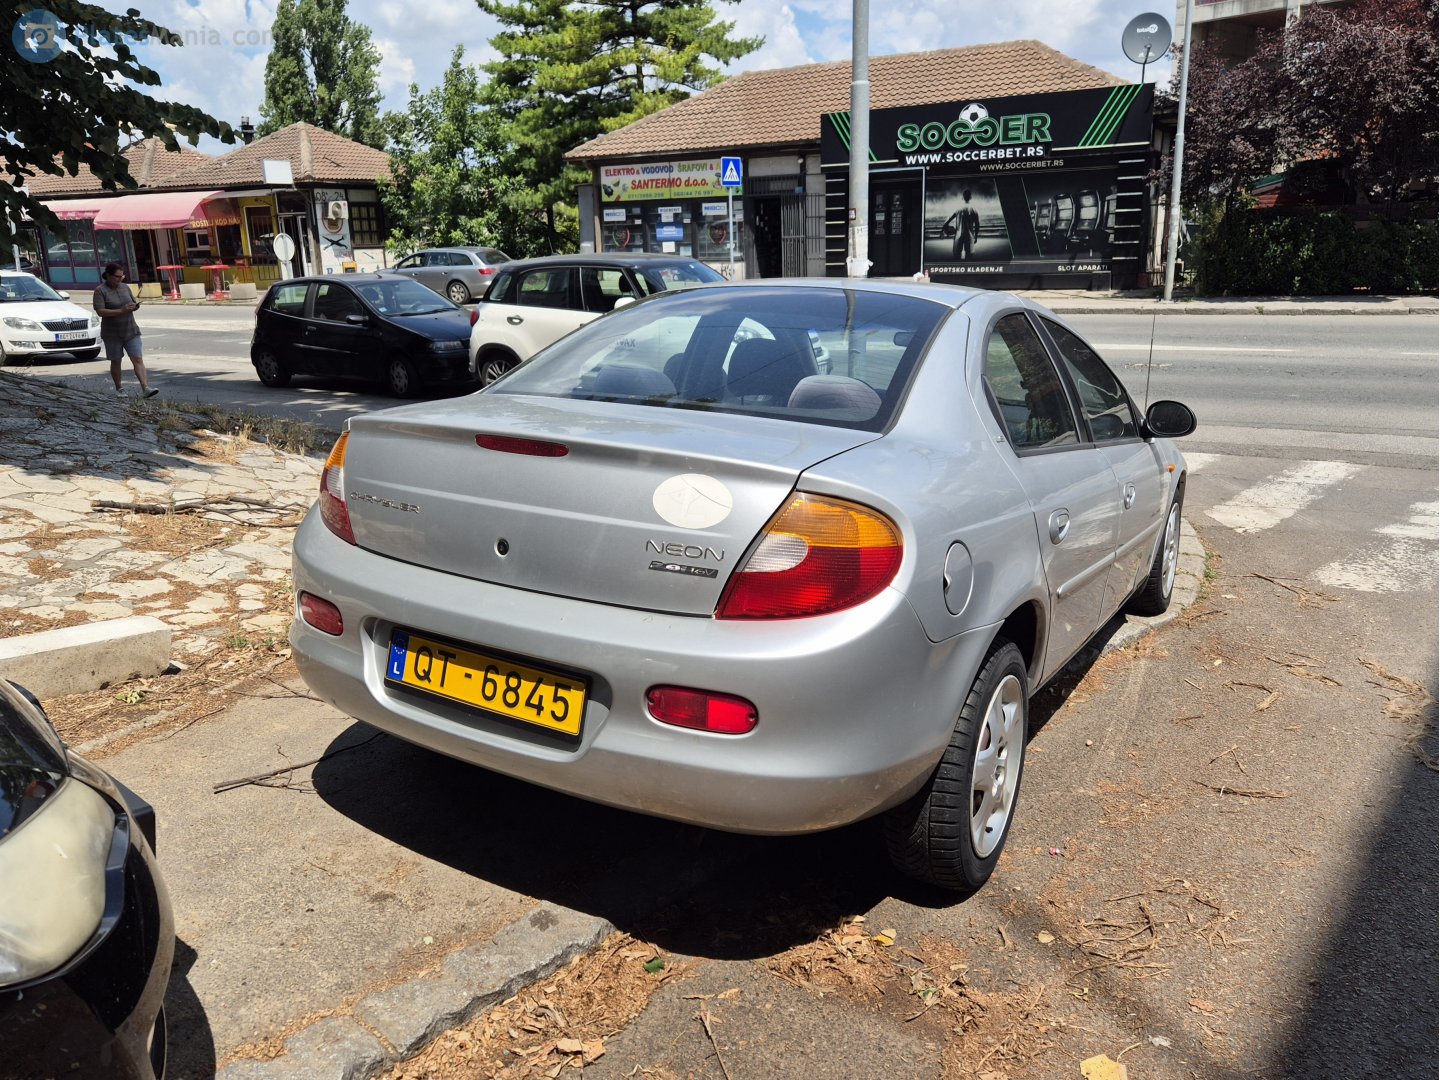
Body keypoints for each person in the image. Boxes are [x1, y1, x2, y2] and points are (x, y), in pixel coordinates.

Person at [93, 263, 157, 398]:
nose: (120, 279)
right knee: (116, 361)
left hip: (131, 330)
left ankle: (145, 388)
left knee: (137, 358)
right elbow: (100, 311)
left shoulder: (125, 287)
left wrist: (135, 307)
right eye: (117, 276)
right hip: (112, 334)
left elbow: (132, 302)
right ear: (108, 276)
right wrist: (121, 310)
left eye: (121, 276)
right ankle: (119, 388)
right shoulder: (100, 290)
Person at [943, 189, 981, 262]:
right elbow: (977, 224)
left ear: (963, 197)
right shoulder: (974, 209)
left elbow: (949, 220)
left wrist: (943, 229)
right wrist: (976, 236)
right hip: (969, 235)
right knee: (969, 257)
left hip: (958, 234)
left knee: (957, 257)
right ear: (971, 197)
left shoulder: (958, 208)